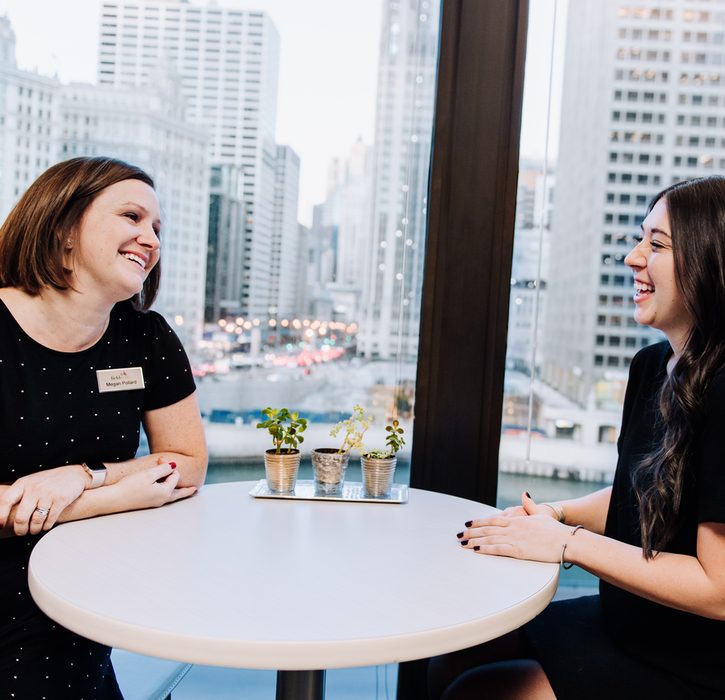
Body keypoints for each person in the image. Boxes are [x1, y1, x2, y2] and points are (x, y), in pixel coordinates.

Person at [429, 176, 725, 700]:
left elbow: (716, 588)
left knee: (478, 694)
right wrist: (556, 515)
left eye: (656, 244)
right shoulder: (652, 367)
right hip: (628, 624)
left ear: (710, 262)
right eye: (640, 238)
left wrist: (567, 544)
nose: (634, 258)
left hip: (692, 663)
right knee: (457, 652)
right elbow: (642, 491)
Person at [0, 157, 208, 698]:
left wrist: (83, 476)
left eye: (157, 229)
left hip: (80, 606)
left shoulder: (146, 338)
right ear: (64, 229)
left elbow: (186, 464)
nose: (151, 239)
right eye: (132, 217)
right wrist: (108, 497)